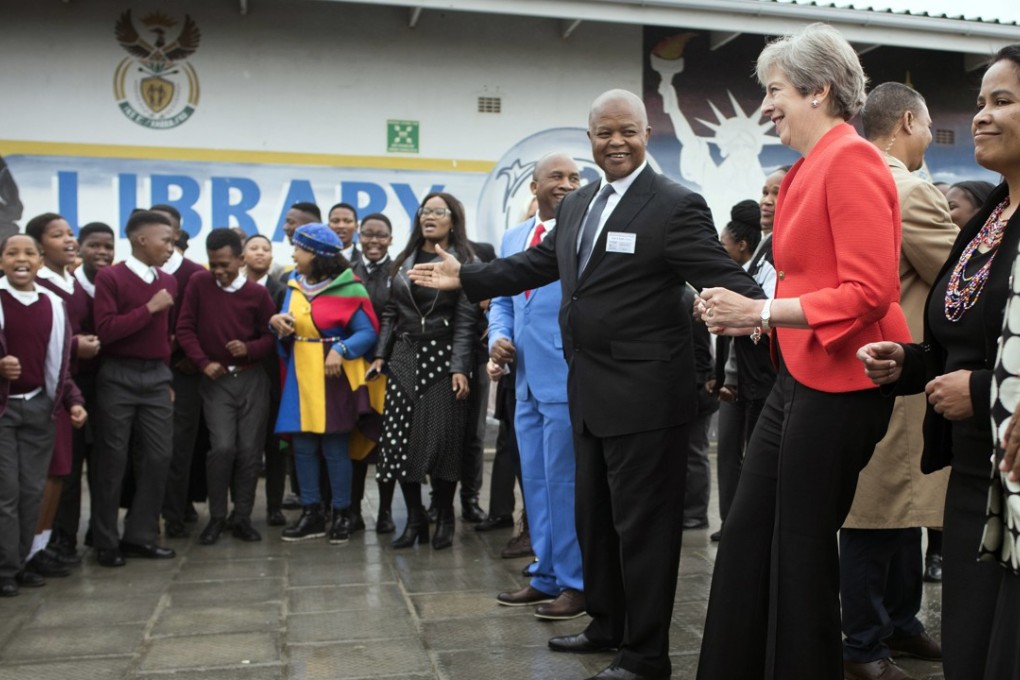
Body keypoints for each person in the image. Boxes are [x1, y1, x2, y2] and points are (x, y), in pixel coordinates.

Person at [408, 89, 761, 680]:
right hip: (589, 393)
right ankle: (608, 624)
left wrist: (771, 309)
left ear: (647, 133)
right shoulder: (580, 204)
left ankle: (647, 656)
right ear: (590, 137)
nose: (615, 142)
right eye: (604, 133)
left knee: (644, 532)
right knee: (594, 519)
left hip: (649, 401)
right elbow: (534, 266)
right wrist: (466, 276)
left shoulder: (676, 205)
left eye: (627, 131)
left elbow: (721, 275)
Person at [694, 24, 911, 679]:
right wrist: (754, 318)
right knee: (749, 534)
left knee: (800, 549)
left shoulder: (853, 160)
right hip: (798, 377)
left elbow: (869, 291)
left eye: (775, 90)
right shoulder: (801, 172)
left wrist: (759, 311)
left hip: (844, 383)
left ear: (819, 91)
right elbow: (803, 277)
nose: (765, 106)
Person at [859, 44, 1020, 680]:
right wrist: (913, 361)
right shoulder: (989, 221)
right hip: (971, 469)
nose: (980, 116)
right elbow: (964, 332)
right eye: (980, 102)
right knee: (970, 645)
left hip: (1012, 463)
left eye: (1002, 101)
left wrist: (982, 390)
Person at [840, 81, 957, 680]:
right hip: (900, 370)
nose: (931, 137)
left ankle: (900, 625)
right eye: (930, 124)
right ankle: (864, 644)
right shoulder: (907, 189)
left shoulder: (850, 178)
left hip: (861, 369)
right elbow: (965, 283)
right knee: (879, 510)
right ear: (908, 121)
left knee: (895, 506)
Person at [489, 153, 586, 621]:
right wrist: (498, 338)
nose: (567, 184)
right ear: (534, 187)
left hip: (568, 380)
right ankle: (545, 574)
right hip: (523, 382)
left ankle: (576, 583)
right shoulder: (513, 238)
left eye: (574, 177)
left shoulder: (584, 238)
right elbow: (503, 303)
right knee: (537, 485)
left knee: (565, 486)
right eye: (557, 177)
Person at [369, 192, 476, 552]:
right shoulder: (402, 260)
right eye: (424, 211)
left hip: (444, 356)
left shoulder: (464, 261)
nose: (429, 217)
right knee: (399, 441)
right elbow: (389, 313)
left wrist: (460, 367)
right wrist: (381, 355)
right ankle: (415, 517)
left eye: (438, 211)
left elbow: (466, 318)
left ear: (452, 220)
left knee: (441, 442)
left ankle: (444, 515)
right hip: (404, 355)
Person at [270, 224, 381, 544]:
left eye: (300, 249)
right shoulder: (292, 286)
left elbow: (367, 332)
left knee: (335, 448)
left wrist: (341, 350)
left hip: (333, 379)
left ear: (317, 256)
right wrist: (275, 322)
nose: (294, 254)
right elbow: (283, 323)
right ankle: (311, 513)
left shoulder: (351, 288)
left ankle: (343, 514)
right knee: (302, 447)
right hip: (299, 377)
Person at [176, 229, 277, 545]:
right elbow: (185, 328)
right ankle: (217, 516)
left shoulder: (258, 295)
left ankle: (242, 517)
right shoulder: (199, 284)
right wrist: (203, 362)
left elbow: (271, 337)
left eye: (225, 265)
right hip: (215, 380)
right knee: (222, 448)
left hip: (251, 379)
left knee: (249, 451)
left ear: (240, 259)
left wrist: (249, 349)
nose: (219, 272)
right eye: (213, 265)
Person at [0, 234, 86, 597]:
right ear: (2, 260)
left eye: (29, 253)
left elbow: (60, 365)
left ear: (39, 262)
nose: (21, 259)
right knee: (7, 492)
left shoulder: (52, 303)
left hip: (39, 407)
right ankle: (5, 569)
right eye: (12, 253)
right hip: (4, 410)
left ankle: (21, 563)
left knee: (33, 491)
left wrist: (74, 401)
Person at [91, 210, 178, 568]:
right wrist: (149, 308)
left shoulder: (169, 282)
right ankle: (105, 542)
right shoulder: (110, 278)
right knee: (112, 460)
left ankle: (140, 536)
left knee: (159, 457)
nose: (171, 248)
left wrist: (167, 377)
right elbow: (106, 330)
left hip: (157, 378)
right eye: (166, 241)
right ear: (142, 240)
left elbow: (165, 335)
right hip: (118, 376)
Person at [22, 213, 100, 578]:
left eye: (70, 233)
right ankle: (24, 549)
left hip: (73, 388)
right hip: (43, 389)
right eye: (58, 235)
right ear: (39, 247)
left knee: (61, 472)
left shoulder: (72, 281)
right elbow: (34, 339)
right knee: (42, 473)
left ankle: (43, 544)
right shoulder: (34, 285)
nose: (69, 240)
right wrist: (74, 345)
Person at [708, 199, 775, 541]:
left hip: (759, 381)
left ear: (742, 245)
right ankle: (732, 522)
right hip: (738, 381)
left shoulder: (769, 262)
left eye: (724, 244)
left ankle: (746, 525)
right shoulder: (748, 268)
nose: (767, 199)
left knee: (754, 457)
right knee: (730, 455)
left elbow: (762, 326)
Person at [49, 222, 114, 561]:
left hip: (104, 385)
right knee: (69, 467)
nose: (101, 252)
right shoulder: (55, 286)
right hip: (65, 386)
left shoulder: (109, 283)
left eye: (108, 246)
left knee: (104, 464)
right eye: (93, 245)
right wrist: (76, 346)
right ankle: (62, 538)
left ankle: (101, 534)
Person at [151, 204, 206, 539]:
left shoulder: (194, 273)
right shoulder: (135, 274)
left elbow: (202, 320)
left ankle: (177, 510)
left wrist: (190, 354)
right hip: (144, 369)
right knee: (151, 449)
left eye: (169, 228)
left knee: (181, 446)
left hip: (183, 369)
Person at [349, 213, 397, 534]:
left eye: (381, 236)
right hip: (355, 368)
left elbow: (395, 317)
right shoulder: (347, 273)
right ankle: (352, 511)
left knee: (387, 444)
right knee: (356, 441)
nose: (374, 241)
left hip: (390, 367)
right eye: (368, 234)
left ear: (391, 239)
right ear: (359, 237)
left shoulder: (400, 272)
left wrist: (381, 354)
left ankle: (385, 513)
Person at [242, 233, 289, 527]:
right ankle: (240, 510)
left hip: (273, 378)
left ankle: (275, 506)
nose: (260, 253)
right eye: (253, 248)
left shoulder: (282, 291)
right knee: (244, 447)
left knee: (275, 448)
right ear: (242, 255)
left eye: (266, 249)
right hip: (243, 376)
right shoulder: (233, 288)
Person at [327, 202, 363, 266]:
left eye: (347, 221)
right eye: (335, 221)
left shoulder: (365, 261)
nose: (341, 226)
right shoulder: (316, 259)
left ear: (356, 227)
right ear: (328, 226)